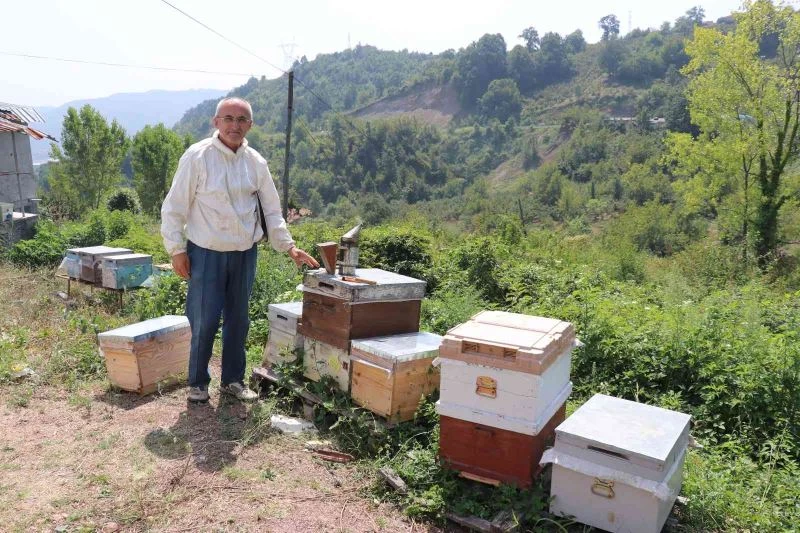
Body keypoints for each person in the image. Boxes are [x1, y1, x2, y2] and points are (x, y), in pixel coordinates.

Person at [161, 97, 319, 403]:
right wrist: (176, 249)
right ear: (215, 122)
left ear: (250, 125)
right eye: (229, 118)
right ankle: (197, 383)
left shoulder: (255, 162)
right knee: (204, 318)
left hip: (245, 254)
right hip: (205, 253)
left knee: (238, 319)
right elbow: (174, 207)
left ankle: (232, 380)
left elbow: (272, 211)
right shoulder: (197, 156)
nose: (235, 125)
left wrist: (289, 247)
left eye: (242, 120)